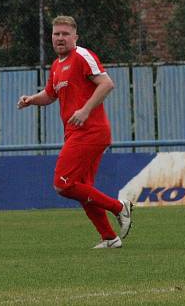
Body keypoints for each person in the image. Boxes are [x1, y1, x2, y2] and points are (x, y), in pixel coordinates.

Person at [18, 16, 132, 249]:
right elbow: (50, 95)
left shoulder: (82, 56)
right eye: (56, 34)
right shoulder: (57, 65)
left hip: (90, 131)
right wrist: (31, 100)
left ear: (75, 37)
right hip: (76, 133)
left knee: (63, 183)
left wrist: (85, 110)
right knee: (82, 188)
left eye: (65, 34)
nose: (60, 38)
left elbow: (107, 83)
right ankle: (110, 238)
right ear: (51, 37)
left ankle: (119, 207)